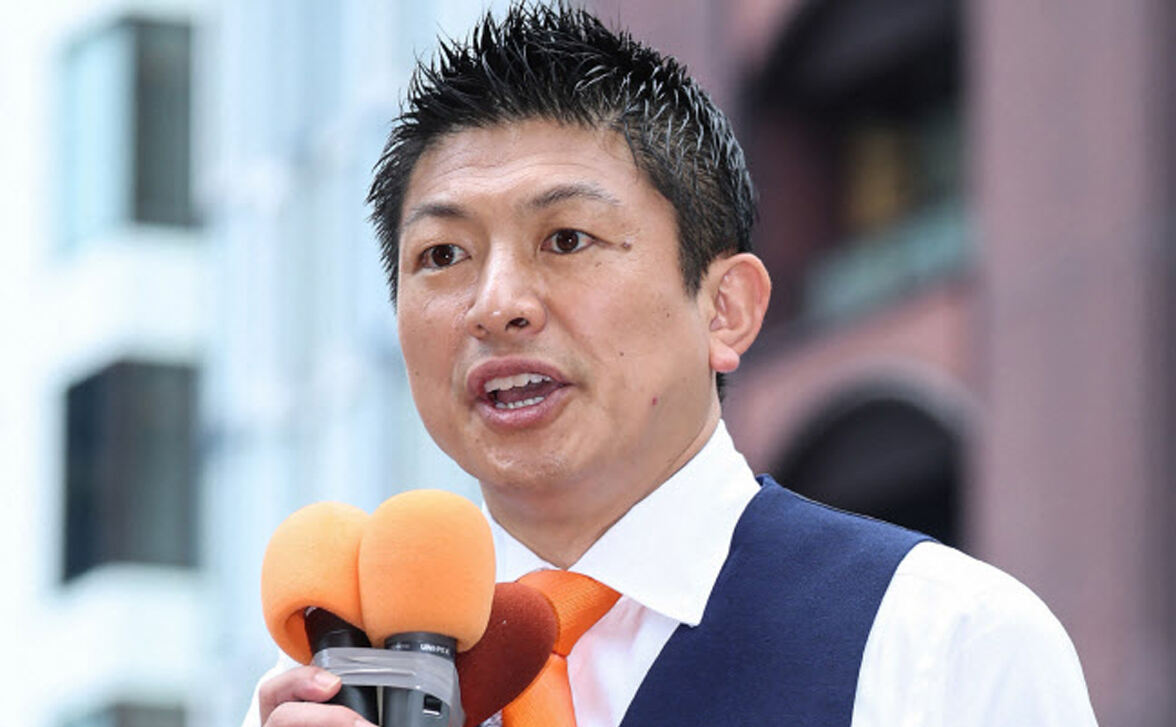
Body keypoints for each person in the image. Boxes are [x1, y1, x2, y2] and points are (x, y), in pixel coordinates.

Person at [248, 4, 1098, 726]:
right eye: (442, 255)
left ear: (725, 308)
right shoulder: (339, 687)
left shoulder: (944, 645)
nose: (495, 303)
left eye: (567, 238)